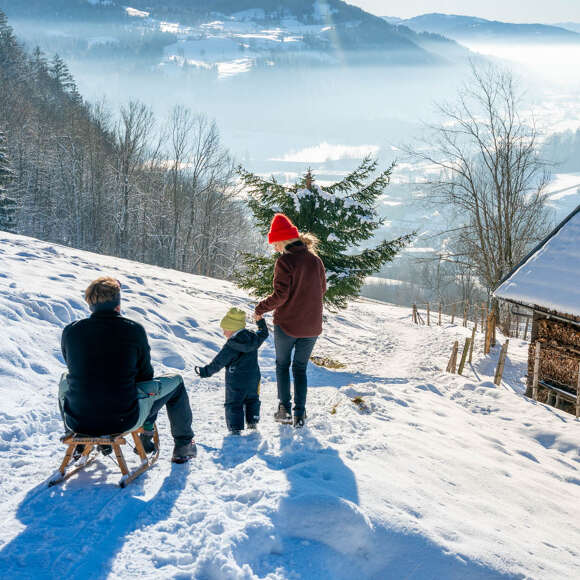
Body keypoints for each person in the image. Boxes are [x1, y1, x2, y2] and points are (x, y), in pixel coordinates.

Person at [59, 276, 197, 463]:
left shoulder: (71, 331)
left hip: (78, 420)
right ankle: (184, 444)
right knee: (177, 382)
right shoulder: (133, 330)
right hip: (124, 417)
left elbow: (74, 369)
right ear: (118, 302)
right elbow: (145, 376)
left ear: (90, 303)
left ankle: (76, 439)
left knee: (65, 378)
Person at [254, 214, 326, 428]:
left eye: (274, 242)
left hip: (287, 325)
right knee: (300, 369)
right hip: (312, 327)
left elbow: (281, 296)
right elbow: (322, 289)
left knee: (283, 366)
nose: (273, 247)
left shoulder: (285, 261)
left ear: (282, 239)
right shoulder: (315, 260)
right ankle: (300, 414)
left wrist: (260, 309)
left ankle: (284, 410)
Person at [195, 307, 268, 435]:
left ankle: (235, 429)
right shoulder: (253, 338)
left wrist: (205, 371)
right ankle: (253, 422)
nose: (223, 333)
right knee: (252, 399)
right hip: (253, 378)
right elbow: (264, 333)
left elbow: (218, 362)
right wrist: (260, 322)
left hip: (236, 381)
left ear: (232, 329)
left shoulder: (231, 345)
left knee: (234, 402)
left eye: (225, 330)